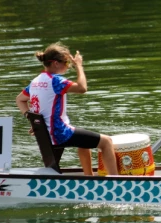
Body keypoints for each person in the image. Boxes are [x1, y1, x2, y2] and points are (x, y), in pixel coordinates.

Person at [15, 42, 118, 175]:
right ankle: (116, 181)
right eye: (67, 63)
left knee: (84, 140)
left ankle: (89, 177)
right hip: (59, 134)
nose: (68, 66)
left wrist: (33, 120)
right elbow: (82, 88)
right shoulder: (55, 81)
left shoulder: (35, 81)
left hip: (46, 133)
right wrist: (79, 66)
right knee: (107, 142)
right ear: (55, 63)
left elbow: (20, 100)